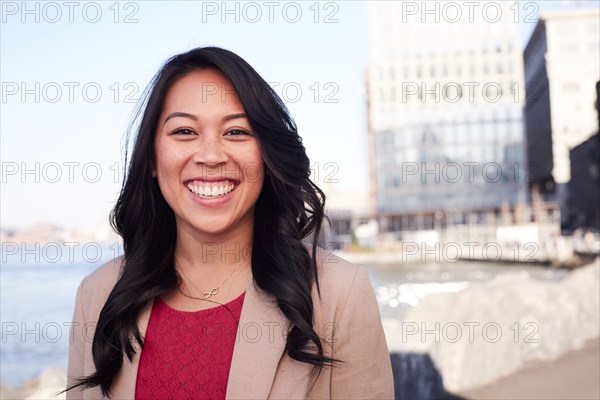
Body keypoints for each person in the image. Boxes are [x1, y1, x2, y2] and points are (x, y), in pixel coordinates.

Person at [65, 46, 394, 399]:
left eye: (236, 132)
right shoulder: (98, 294)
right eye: (184, 132)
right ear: (151, 158)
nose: (210, 155)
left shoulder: (339, 294)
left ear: (266, 156)